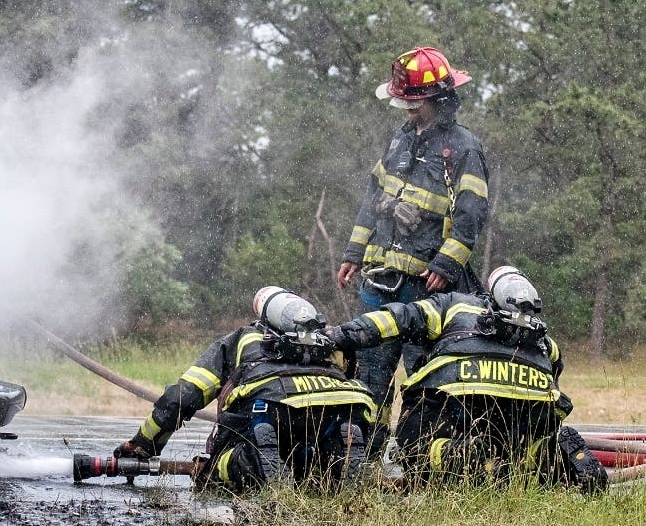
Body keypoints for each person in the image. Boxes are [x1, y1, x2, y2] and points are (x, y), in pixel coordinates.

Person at [327, 266, 606, 492]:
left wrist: (339, 335)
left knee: (415, 443)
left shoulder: (455, 305)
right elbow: (555, 371)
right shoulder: (542, 337)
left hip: (457, 403)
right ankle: (552, 458)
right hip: (523, 413)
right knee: (533, 437)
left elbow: (398, 318)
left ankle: (451, 455)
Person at [336, 46, 490, 457]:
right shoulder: (400, 140)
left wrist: (446, 263)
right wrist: (354, 252)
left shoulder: (463, 148)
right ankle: (363, 462)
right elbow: (373, 198)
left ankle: (418, 461)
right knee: (369, 374)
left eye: (414, 102)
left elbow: (472, 214)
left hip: (425, 289)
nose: (407, 110)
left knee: (424, 376)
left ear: (439, 99)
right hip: (378, 281)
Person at [114, 288, 376, 494]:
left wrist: (142, 447)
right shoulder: (329, 339)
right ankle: (338, 448)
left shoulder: (243, 338)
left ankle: (253, 456)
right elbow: (355, 376)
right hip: (339, 408)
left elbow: (182, 397)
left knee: (213, 473)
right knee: (322, 455)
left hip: (272, 410)